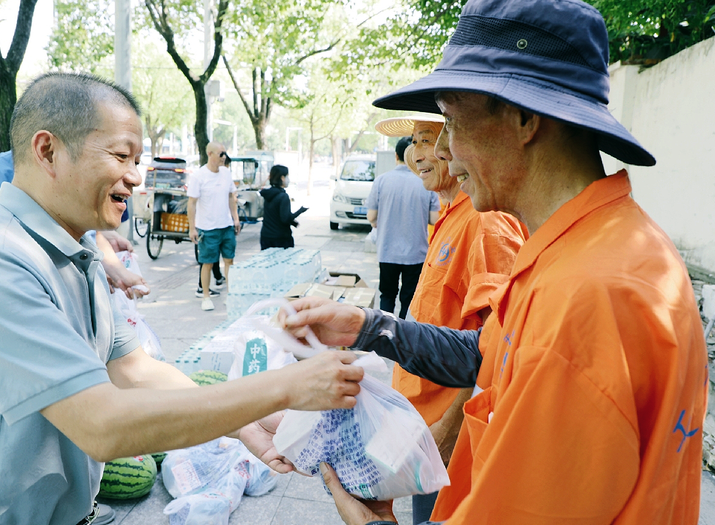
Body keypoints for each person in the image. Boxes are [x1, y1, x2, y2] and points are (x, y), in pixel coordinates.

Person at [282, 0, 708, 523]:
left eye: (454, 123)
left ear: (524, 119)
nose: (446, 153)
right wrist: (368, 327)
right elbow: (488, 355)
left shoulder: (589, 295)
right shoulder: (577, 248)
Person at [0, 72, 365, 525]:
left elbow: (134, 371)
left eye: (138, 159)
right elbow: (102, 424)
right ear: (47, 150)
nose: (135, 177)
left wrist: (246, 424)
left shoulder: (79, 252)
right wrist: (283, 387)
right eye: (120, 156)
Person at [375, 114, 527, 522]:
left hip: (451, 440)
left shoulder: (485, 222)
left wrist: (449, 429)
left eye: (429, 140)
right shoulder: (448, 216)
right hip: (422, 426)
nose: (419, 154)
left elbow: (503, 343)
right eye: (415, 143)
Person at [0, 150, 149, 301]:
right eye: (121, 156)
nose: (135, 178)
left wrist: (113, 272)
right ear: (46, 147)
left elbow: (88, 234)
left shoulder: (75, 173)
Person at [366, 136, 439, 318]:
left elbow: (371, 217)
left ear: (396, 156)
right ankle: (402, 338)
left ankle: (384, 337)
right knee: (409, 298)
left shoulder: (381, 181)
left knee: (387, 295)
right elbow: (434, 219)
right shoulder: (426, 183)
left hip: (388, 251)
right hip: (416, 253)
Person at [188, 142, 241, 311]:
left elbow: (231, 198)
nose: (224, 157)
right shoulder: (199, 176)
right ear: (210, 154)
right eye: (221, 154)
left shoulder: (226, 173)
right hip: (207, 228)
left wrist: (236, 219)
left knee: (229, 261)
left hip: (226, 226)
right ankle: (205, 296)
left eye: (225, 154)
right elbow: (192, 203)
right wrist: (192, 228)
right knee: (207, 263)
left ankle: (230, 294)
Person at [259, 164, 308, 249]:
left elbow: (274, 213)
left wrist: (293, 223)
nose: (288, 179)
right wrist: (300, 211)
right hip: (281, 239)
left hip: (265, 236)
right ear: (282, 178)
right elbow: (285, 219)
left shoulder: (267, 194)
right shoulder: (283, 196)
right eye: (287, 176)